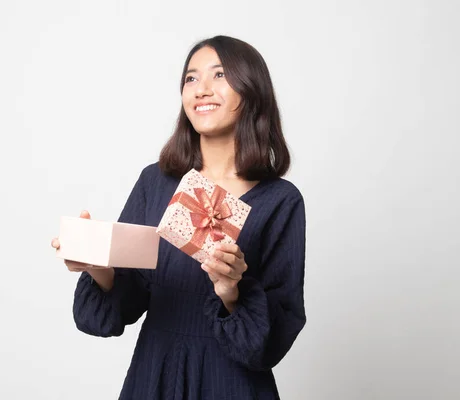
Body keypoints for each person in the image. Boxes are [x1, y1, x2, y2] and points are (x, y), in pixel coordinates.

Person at [51, 35, 306, 399]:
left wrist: (231, 291)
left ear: (252, 91)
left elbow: (275, 337)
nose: (201, 89)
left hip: (232, 383)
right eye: (191, 78)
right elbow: (125, 301)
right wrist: (99, 266)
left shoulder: (280, 200)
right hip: (155, 374)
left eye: (219, 76)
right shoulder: (155, 182)